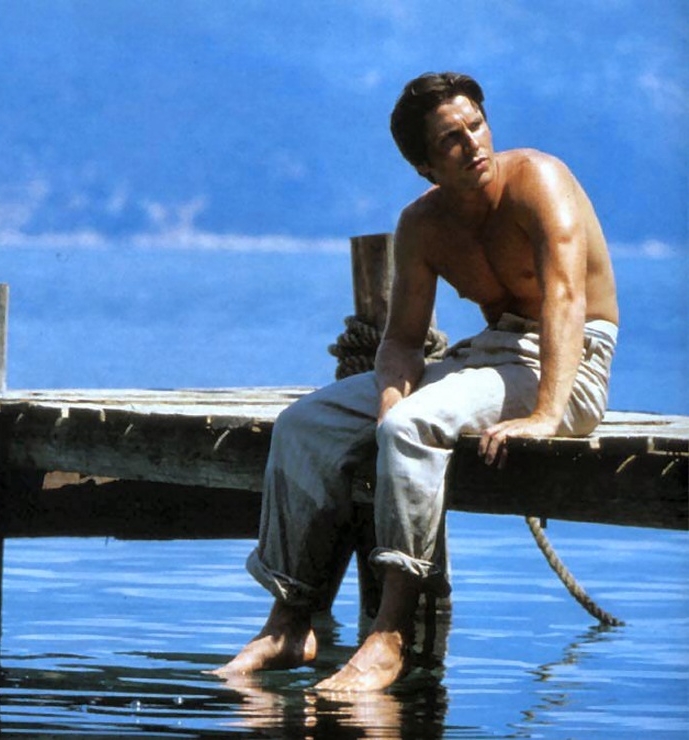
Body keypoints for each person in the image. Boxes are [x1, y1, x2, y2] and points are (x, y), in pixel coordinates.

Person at [213, 72, 619, 692]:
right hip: (491, 353)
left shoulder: (541, 181)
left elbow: (565, 298)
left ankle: (389, 635)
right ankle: (289, 621)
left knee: (411, 428)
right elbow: (402, 341)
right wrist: (388, 399)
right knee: (304, 425)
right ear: (425, 165)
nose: (473, 144)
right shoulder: (424, 225)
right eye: (452, 139)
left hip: (568, 364)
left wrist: (545, 414)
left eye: (476, 126)